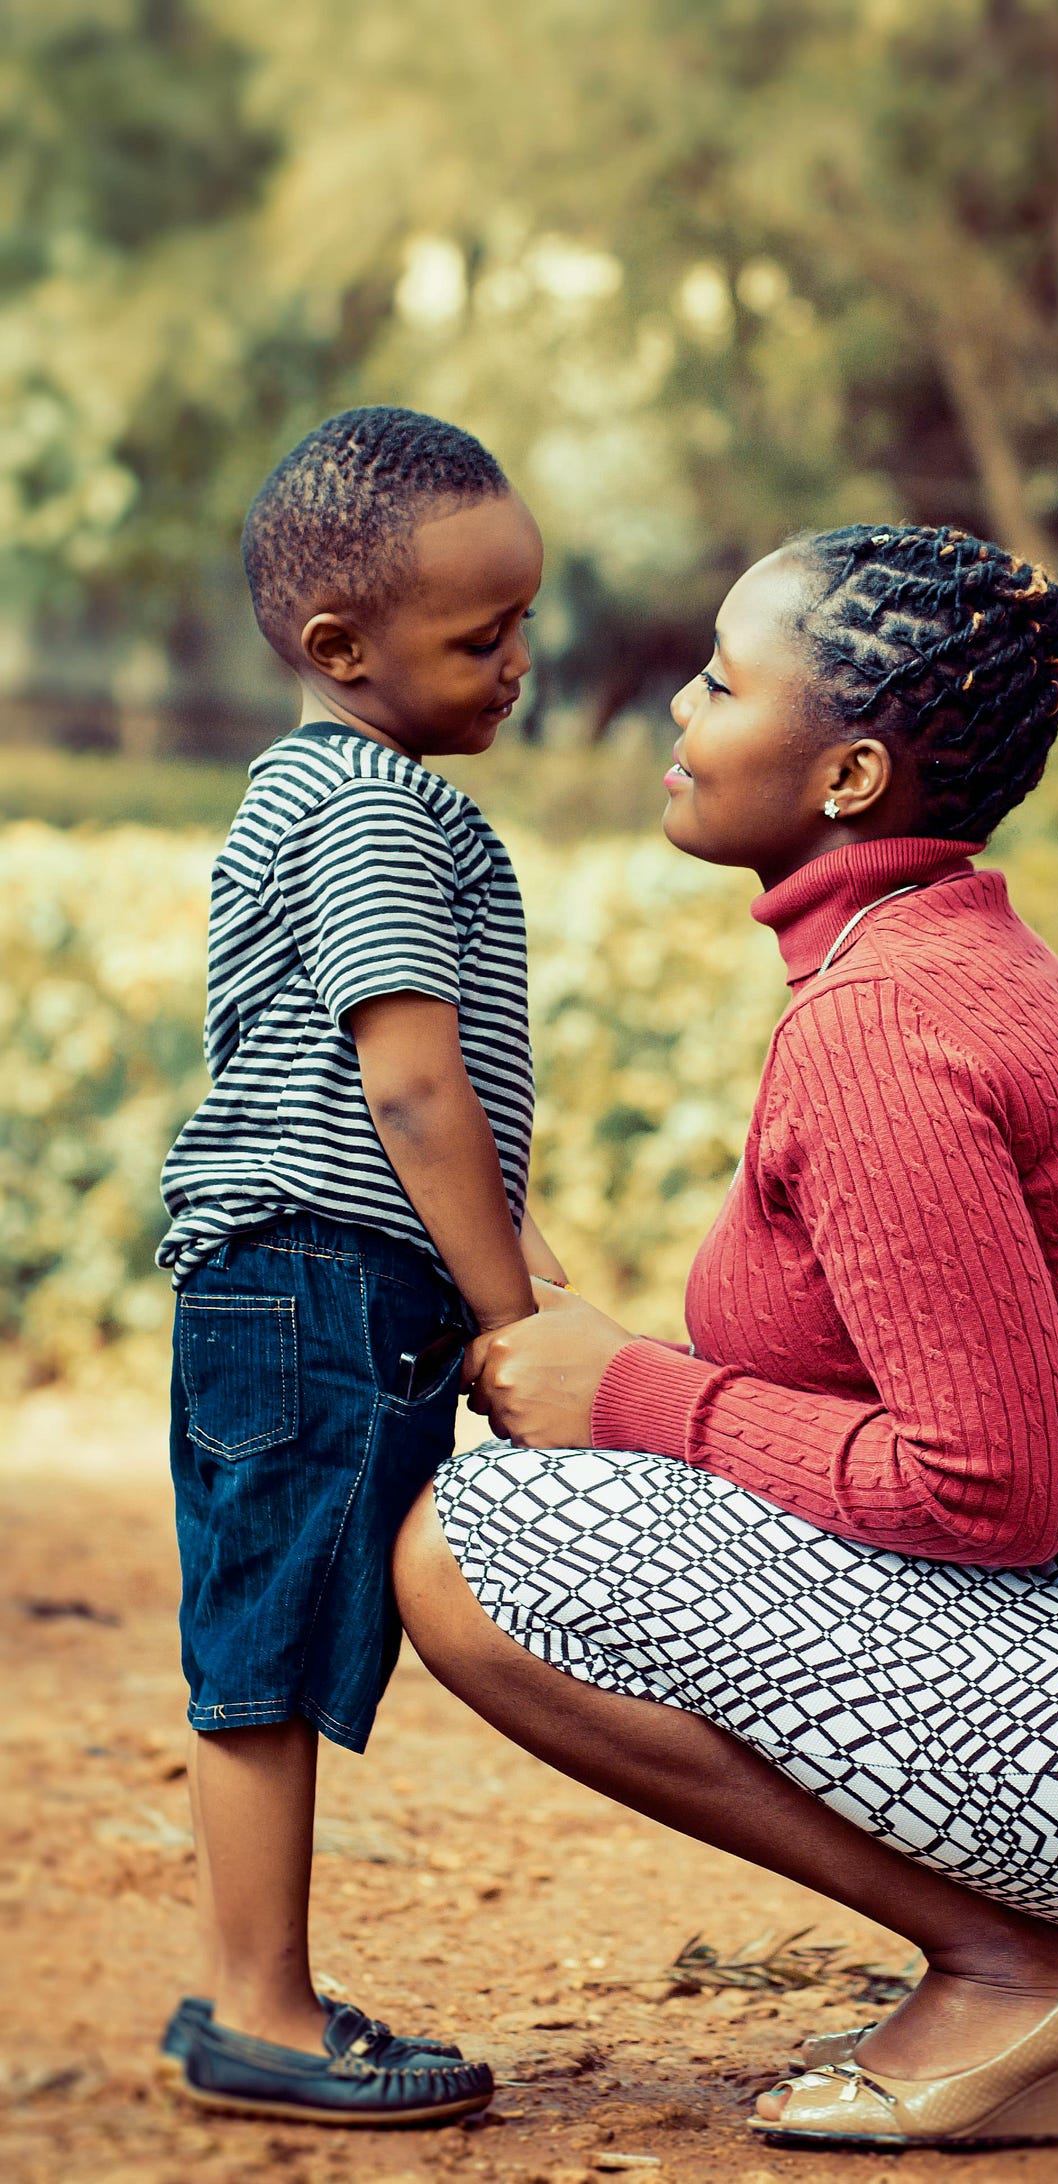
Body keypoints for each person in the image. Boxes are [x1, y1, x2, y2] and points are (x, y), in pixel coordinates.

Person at [394, 522, 1058, 2153]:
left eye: (723, 682)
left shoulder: (882, 1022)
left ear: (851, 777)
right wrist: (619, 1372)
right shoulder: (928, 957)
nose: (680, 709)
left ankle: (1025, 1968)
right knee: (551, 1509)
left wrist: (634, 1393)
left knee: (473, 1551)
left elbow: (986, 1486)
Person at [156, 406, 564, 2125]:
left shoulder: (342, 799)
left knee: (286, 1624)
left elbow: (435, 1107)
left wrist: (527, 1267)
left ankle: (260, 1996)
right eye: (483, 637)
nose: (522, 663)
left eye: (524, 620)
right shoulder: (370, 809)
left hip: (321, 1281)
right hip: (313, 1279)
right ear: (342, 650)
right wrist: (513, 1315)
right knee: (265, 1641)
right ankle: (259, 2009)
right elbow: (409, 1085)